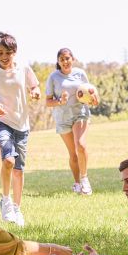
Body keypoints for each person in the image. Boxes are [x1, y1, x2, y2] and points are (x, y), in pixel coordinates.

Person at [0, 32, 41, 226]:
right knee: (7, 160)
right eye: (0, 53)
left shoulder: (24, 69)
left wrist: (35, 92)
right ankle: (5, 201)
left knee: (18, 170)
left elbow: (35, 86)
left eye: (8, 52)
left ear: (14, 52)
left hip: (22, 125)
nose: (4, 56)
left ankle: (17, 207)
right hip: (1, 123)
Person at [45, 48, 99, 195]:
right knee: (73, 154)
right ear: (58, 61)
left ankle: (85, 179)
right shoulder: (53, 77)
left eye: (67, 58)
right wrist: (59, 101)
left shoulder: (80, 74)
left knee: (80, 145)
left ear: (73, 59)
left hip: (80, 114)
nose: (65, 61)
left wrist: (94, 101)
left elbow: (90, 93)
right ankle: (77, 183)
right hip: (62, 119)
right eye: (61, 59)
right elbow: (48, 102)